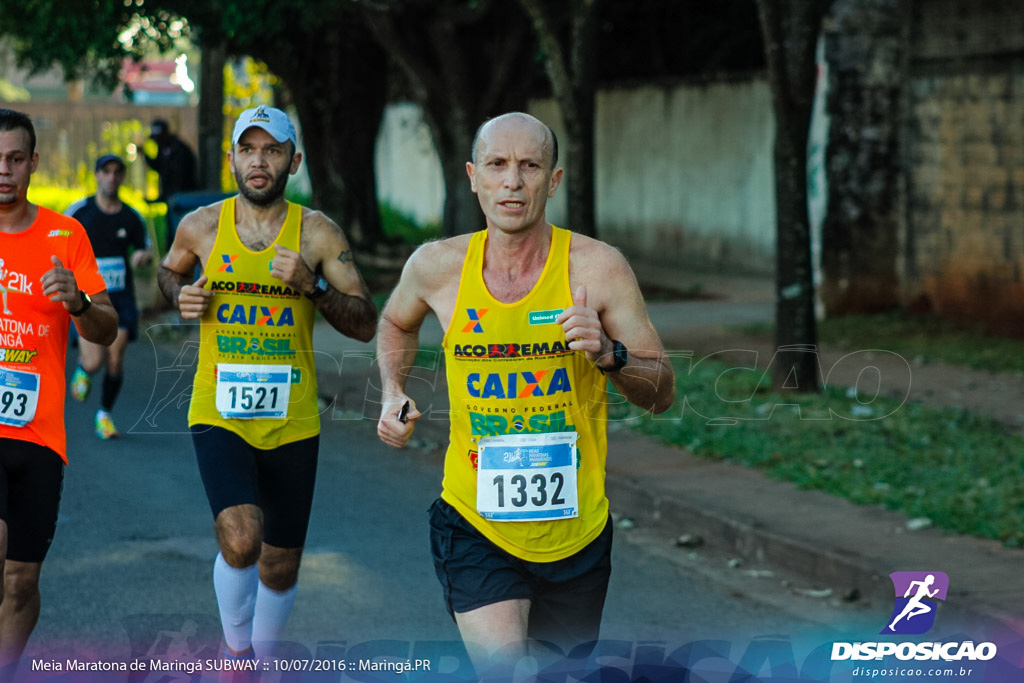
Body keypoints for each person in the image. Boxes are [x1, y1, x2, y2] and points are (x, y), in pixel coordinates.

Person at [376, 112, 676, 673]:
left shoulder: (598, 268)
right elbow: (396, 322)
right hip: (475, 522)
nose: (512, 181)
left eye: (529, 165)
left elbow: (660, 390)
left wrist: (610, 354)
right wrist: (394, 390)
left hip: (577, 532)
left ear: (553, 180)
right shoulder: (437, 266)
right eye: (497, 165)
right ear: (473, 176)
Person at [157, 105, 377, 660]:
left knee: (280, 563)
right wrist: (178, 296)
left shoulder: (319, 233)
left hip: (292, 416)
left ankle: (267, 659)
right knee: (241, 539)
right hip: (218, 407)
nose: (259, 162)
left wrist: (311, 287)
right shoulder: (201, 226)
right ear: (231, 158)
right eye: (248, 150)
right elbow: (169, 270)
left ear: (293, 161)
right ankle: (239, 659)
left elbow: (365, 321)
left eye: (272, 150)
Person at [0, 108, 118, 678]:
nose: (4, 170)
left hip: (40, 433)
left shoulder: (64, 235)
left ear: (33, 163)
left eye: (15, 159)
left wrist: (77, 302)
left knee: (21, 581)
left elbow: (106, 328)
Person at [65, 154, 153, 439]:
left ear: (122, 177)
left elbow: (146, 248)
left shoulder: (131, 216)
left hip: (121, 299)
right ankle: (84, 369)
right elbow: (55, 241)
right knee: (95, 361)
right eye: (106, 171)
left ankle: (104, 415)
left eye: (117, 172)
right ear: (96, 175)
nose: (112, 177)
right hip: (87, 301)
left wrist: (142, 255)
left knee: (115, 358)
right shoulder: (79, 212)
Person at [143, 119, 198, 251]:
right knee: (171, 234)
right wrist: (145, 155)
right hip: (171, 199)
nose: (156, 142)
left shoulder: (180, 150)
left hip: (184, 199)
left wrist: (164, 197)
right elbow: (158, 166)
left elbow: (179, 178)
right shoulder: (164, 150)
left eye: (159, 138)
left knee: (182, 233)